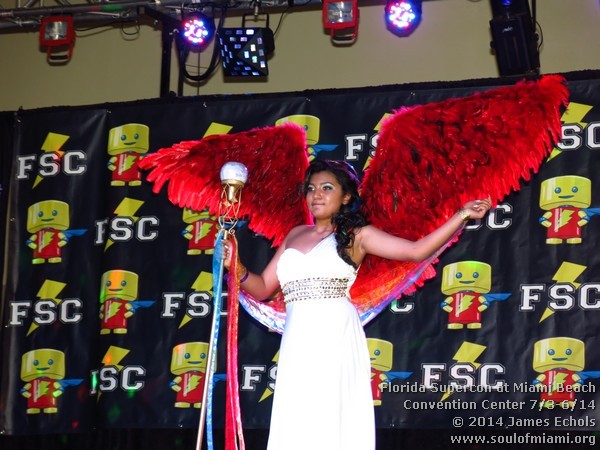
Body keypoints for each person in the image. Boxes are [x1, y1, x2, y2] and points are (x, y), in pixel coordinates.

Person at [221, 159, 492, 450]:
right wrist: (236, 265)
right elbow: (262, 287)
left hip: (335, 333)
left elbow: (416, 251)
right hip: (296, 338)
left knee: (332, 414)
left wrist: (462, 215)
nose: (316, 195)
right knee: (297, 414)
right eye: (311, 189)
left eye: (327, 188)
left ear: (346, 196)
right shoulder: (295, 234)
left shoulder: (358, 235)